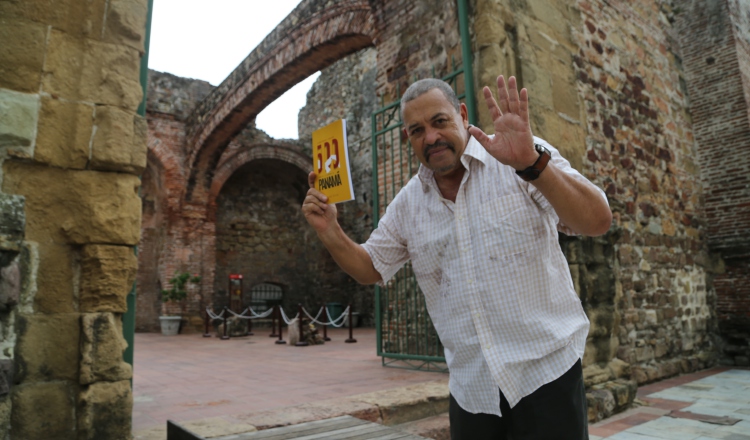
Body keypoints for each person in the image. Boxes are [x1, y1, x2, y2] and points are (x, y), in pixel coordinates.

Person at [301, 75, 612, 440]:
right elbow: (369, 267)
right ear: (408, 139)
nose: (430, 137)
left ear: (462, 114)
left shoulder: (522, 157)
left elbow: (596, 220)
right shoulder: (408, 206)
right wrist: (329, 231)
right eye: (417, 130)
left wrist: (532, 163)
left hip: (546, 377)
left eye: (439, 121)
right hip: (472, 391)